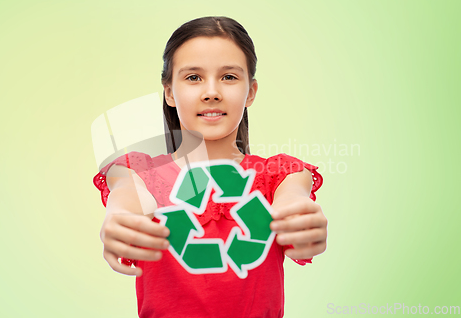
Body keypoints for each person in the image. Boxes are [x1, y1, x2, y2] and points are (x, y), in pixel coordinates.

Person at [93, 16, 328, 318]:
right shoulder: (138, 173)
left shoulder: (280, 175)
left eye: (229, 77)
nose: (212, 92)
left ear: (251, 92)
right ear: (169, 92)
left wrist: (301, 220)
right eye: (193, 78)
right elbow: (128, 197)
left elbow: (293, 199)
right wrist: (120, 217)